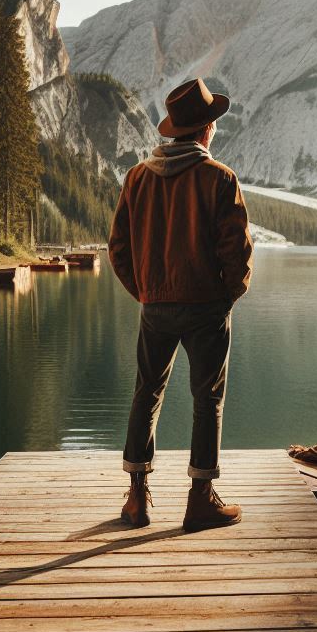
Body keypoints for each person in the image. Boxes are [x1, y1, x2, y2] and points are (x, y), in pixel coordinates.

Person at [108, 77, 254, 531]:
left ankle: (136, 499)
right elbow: (238, 251)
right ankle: (200, 499)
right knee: (206, 399)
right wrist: (228, 294)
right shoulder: (219, 178)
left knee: (145, 393)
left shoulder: (137, 178)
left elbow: (118, 248)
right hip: (207, 306)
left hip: (157, 307)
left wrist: (149, 292)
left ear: (174, 131)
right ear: (206, 129)